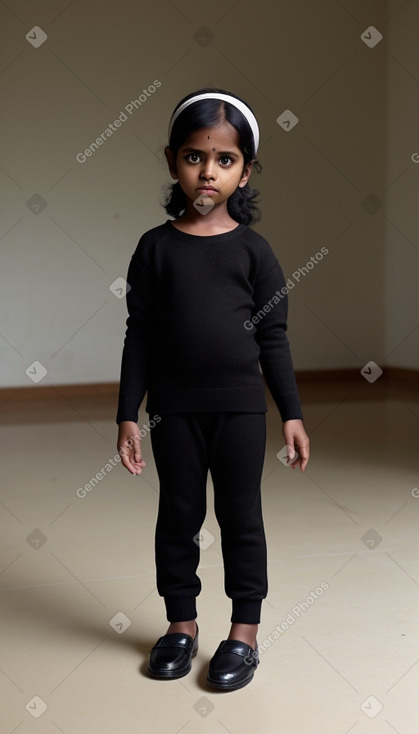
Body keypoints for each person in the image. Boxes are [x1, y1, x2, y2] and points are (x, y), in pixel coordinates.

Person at [116, 88, 310, 691]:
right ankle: (181, 625)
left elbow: (273, 337)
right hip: (173, 411)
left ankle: (244, 633)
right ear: (174, 160)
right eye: (196, 157)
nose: (209, 171)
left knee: (240, 517)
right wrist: (128, 413)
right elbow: (140, 334)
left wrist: (292, 415)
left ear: (245, 170)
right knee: (178, 516)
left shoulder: (255, 253)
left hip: (239, 412)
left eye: (225, 160)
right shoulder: (155, 248)